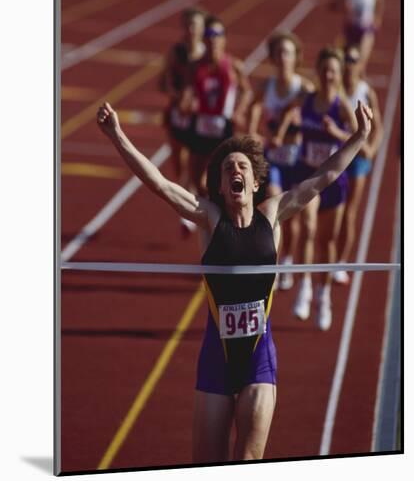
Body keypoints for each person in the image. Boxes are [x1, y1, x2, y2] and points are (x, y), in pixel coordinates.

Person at [96, 97, 373, 462]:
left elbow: (322, 178)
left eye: (241, 166)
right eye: (227, 169)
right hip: (216, 360)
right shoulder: (209, 218)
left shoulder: (272, 214)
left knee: (248, 461)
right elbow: (160, 184)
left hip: (259, 360)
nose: (234, 171)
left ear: (255, 182)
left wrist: (360, 135)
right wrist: (116, 134)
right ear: (223, 186)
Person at [277, 47, 358, 330]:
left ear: (338, 74)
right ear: (318, 71)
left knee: (328, 242)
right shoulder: (307, 99)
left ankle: (324, 298)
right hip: (308, 175)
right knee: (308, 229)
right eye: (323, 69)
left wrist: (336, 133)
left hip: (334, 181)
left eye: (333, 70)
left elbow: (359, 139)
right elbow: (285, 114)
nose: (327, 75)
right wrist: (286, 129)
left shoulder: (343, 105)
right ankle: (305, 288)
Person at [248, 31, 314, 290]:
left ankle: (287, 261)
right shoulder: (267, 86)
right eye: (279, 53)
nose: (283, 58)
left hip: (297, 161)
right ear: (273, 58)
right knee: (274, 210)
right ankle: (274, 264)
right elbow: (250, 106)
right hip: (273, 160)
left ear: (296, 57)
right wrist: (254, 131)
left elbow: (316, 117)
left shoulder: (305, 89)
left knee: (295, 220)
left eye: (288, 52)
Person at [333, 45, 383, 284]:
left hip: (358, 162)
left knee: (349, 214)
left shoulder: (366, 91)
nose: (350, 64)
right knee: (332, 212)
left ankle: (341, 262)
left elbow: (379, 128)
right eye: (346, 60)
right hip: (337, 156)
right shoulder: (335, 90)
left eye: (354, 60)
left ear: (360, 65)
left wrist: (371, 149)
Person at [186, 15, 252, 196]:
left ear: (224, 39)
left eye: (218, 34)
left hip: (224, 128)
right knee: (196, 180)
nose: (213, 38)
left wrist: (238, 111)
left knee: (222, 179)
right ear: (204, 38)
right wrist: (187, 102)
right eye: (209, 33)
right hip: (201, 126)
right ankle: (207, 217)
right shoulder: (195, 66)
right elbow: (187, 90)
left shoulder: (233, 66)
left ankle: (219, 216)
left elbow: (247, 91)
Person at [159, 7, 207, 235]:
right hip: (176, 115)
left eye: (195, 25)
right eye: (188, 25)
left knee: (191, 163)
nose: (191, 30)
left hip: (198, 118)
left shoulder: (207, 55)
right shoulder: (175, 52)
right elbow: (163, 81)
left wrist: (198, 102)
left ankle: (187, 211)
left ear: (202, 28)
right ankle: (185, 197)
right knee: (179, 164)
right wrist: (177, 97)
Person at [329, 0, 384, 74]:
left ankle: (360, 84)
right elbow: (332, 5)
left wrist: (378, 18)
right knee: (348, 62)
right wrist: (341, 5)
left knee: (360, 63)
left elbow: (380, 1)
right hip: (350, 29)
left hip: (366, 29)